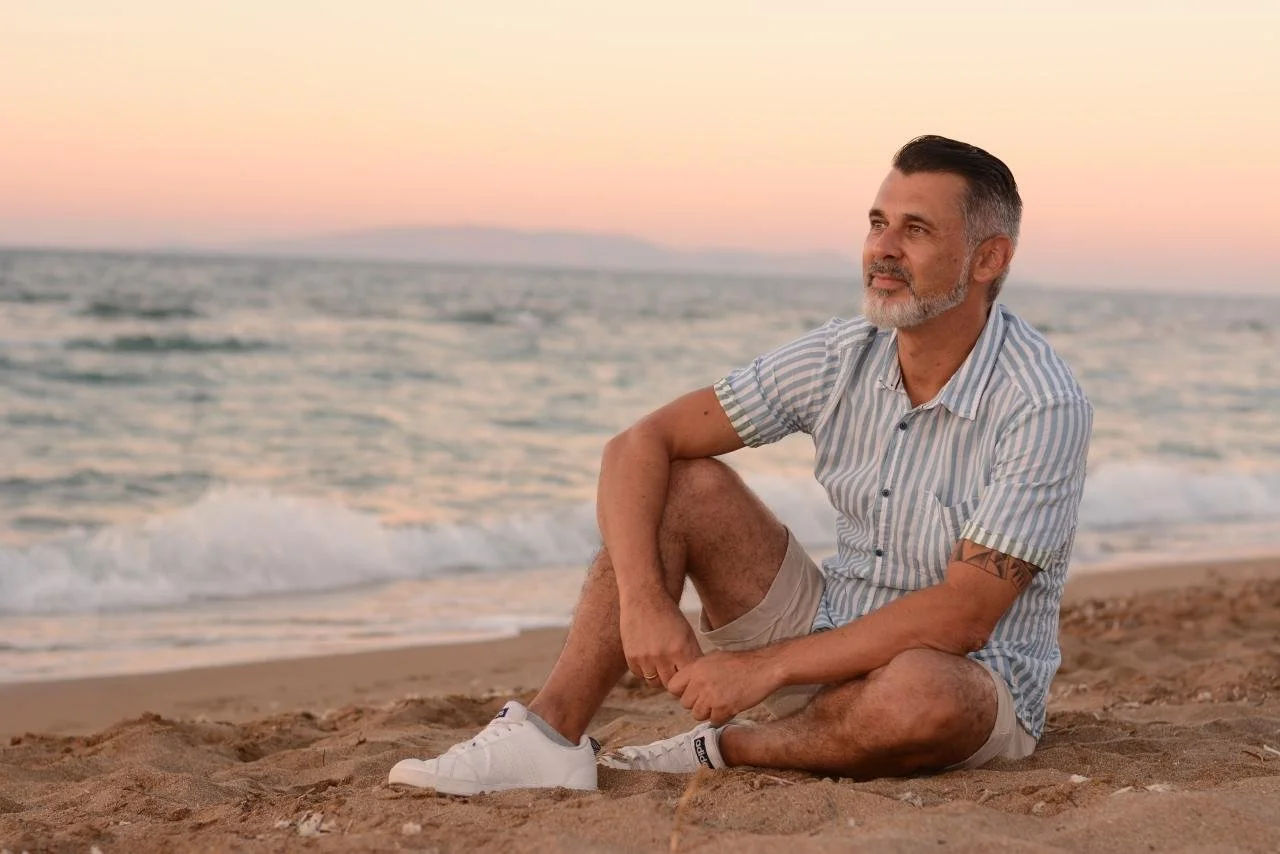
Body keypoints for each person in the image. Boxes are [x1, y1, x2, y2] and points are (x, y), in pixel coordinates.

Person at [389, 135, 1093, 795]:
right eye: (877, 222)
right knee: (685, 483)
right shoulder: (841, 354)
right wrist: (643, 600)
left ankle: (727, 748)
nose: (881, 249)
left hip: (965, 678)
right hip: (827, 626)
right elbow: (637, 445)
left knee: (922, 695)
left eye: (916, 230)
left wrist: (763, 669)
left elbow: (964, 616)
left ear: (988, 259)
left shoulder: (1041, 402)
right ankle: (547, 737)